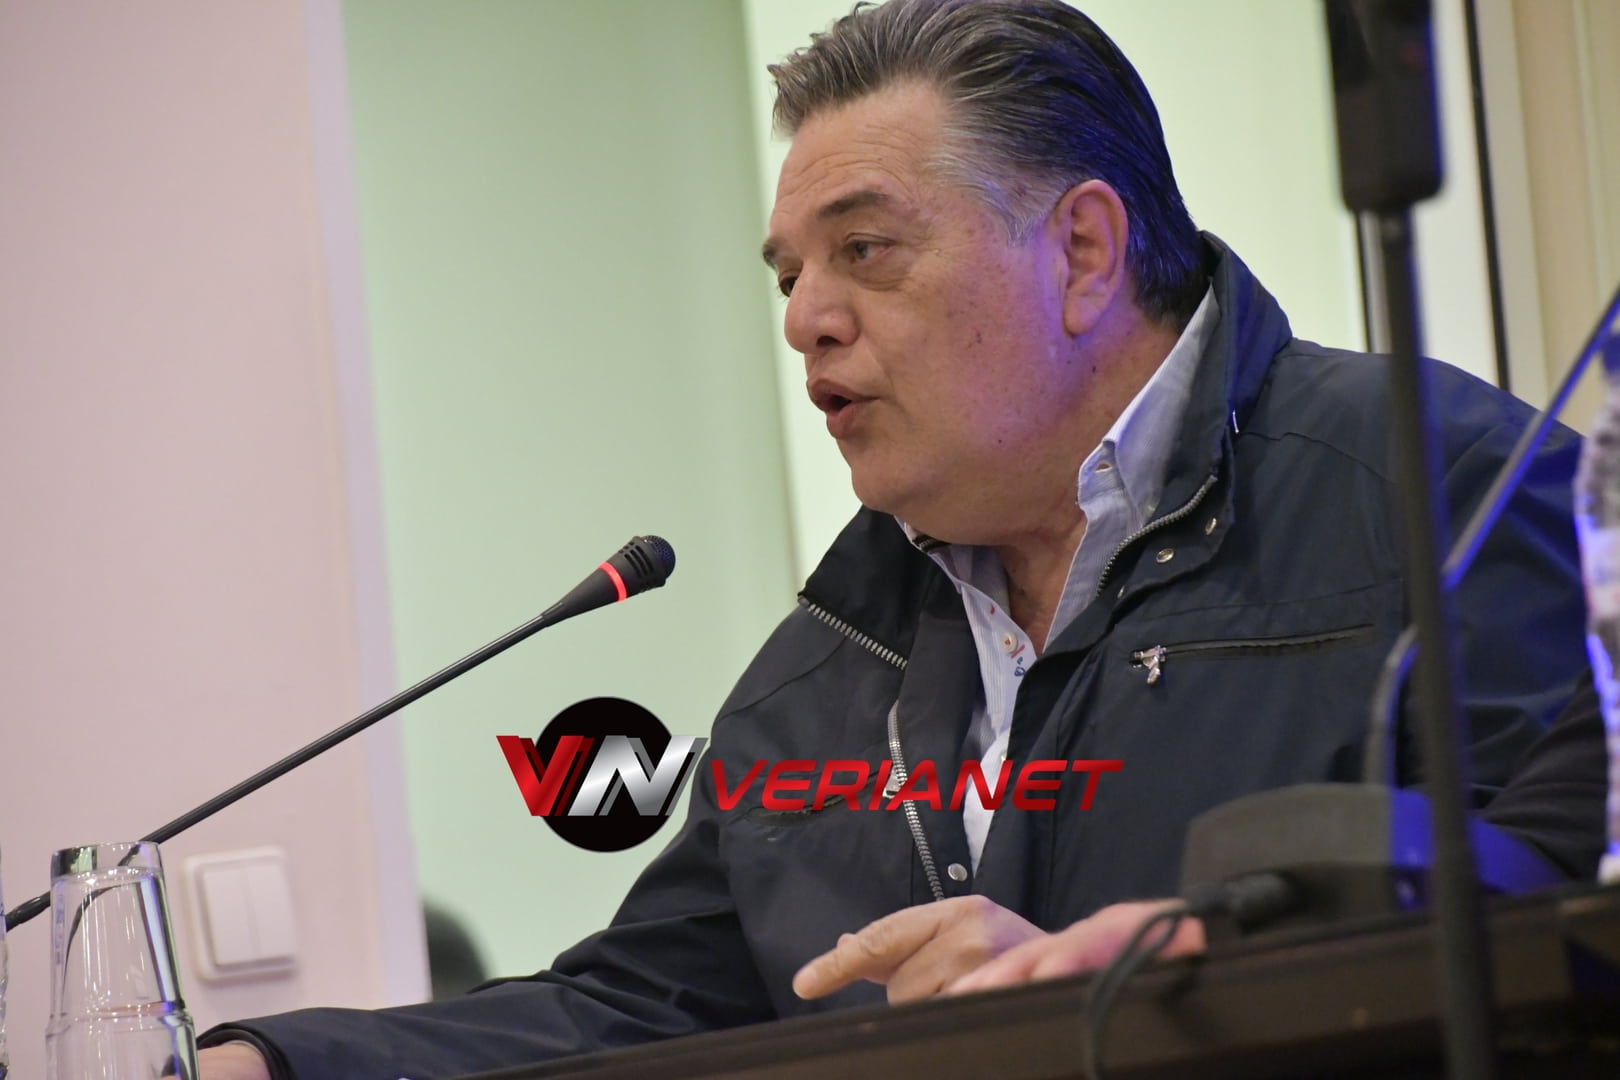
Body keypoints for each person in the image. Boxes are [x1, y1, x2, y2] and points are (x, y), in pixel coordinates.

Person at [198, 1, 1605, 1076]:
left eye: (864, 249)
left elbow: (1570, 895)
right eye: (789, 275)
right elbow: (638, 1007)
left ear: (1082, 252)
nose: (806, 317)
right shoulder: (829, 660)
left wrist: (1193, 968)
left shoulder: (1441, 485)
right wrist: (275, 1064)